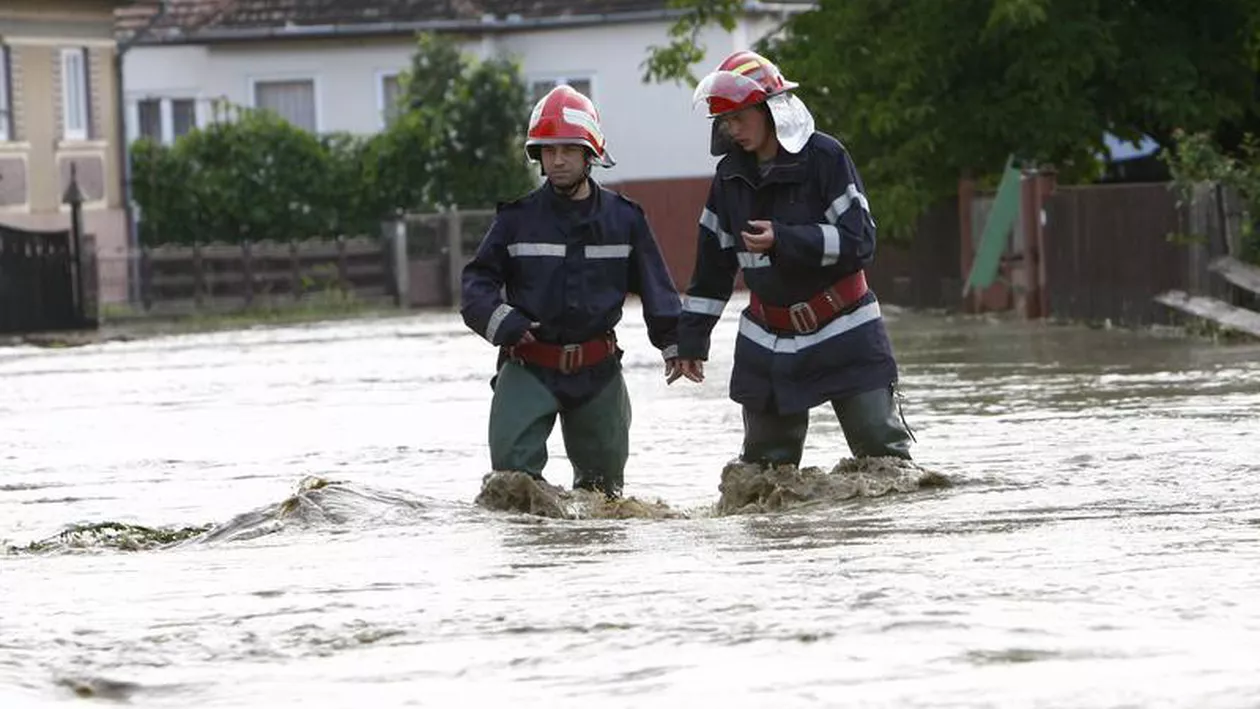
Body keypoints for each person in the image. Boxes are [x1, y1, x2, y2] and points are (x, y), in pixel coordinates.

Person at [668, 50, 915, 468]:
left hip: (846, 327)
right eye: (724, 121)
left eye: (739, 117)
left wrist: (785, 239)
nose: (732, 129)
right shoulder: (728, 178)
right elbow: (712, 270)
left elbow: (861, 241)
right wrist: (692, 340)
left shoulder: (826, 158)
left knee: (883, 460)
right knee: (764, 477)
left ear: (771, 109)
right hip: (770, 339)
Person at [460, 85, 683, 499]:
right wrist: (501, 321)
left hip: (598, 373)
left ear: (590, 154)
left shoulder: (626, 219)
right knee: (512, 489)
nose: (557, 160)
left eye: (567, 149)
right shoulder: (515, 220)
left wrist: (674, 344)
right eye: (547, 150)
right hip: (529, 366)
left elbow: (657, 288)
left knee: (605, 502)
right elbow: (475, 286)